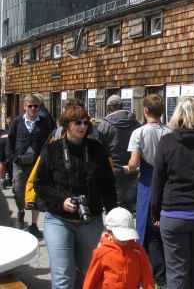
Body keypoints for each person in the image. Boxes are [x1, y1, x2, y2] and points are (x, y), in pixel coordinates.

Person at [34, 104, 117, 289]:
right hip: (59, 219)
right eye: (77, 123)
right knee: (63, 276)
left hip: (90, 220)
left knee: (89, 274)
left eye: (85, 123)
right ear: (67, 125)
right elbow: (41, 184)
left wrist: (113, 218)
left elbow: (108, 186)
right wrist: (60, 201)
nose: (82, 126)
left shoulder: (96, 149)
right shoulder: (52, 150)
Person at [151, 97, 194, 289]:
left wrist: (155, 212)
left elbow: (158, 179)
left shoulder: (167, 142)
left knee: (176, 271)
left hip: (174, 212)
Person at [124, 94, 170, 289]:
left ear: (145, 111)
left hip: (146, 181)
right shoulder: (169, 132)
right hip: (166, 181)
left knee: (143, 227)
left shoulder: (139, 133)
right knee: (161, 226)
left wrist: (126, 168)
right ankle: (163, 275)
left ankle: (144, 273)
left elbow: (134, 163)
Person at [9, 94, 52, 236]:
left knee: (37, 192)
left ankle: (33, 224)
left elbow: (50, 139)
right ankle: (21, 211)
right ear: (24, 107)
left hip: (37, 163)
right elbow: (11, 140)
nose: (33, 108)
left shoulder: (45, 122)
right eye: (30, 106)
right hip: (20, 162)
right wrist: (11, 157)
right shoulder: (16, 122)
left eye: (36, 106)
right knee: (18, 190)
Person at [83, 207, 154, 289]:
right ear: (110, 232)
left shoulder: (137, 250)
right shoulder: (101, 253)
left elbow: (147, 277)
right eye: (121, 237)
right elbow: (90, 280)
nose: (125, 240)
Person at [98, 94, 141, 211]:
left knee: (113, 207)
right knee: (130, 207)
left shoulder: (104, 125)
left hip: (113, 169)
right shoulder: (136, 123)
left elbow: (99, 148)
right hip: (132, 168)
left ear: (109, 108)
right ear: (122, 106)